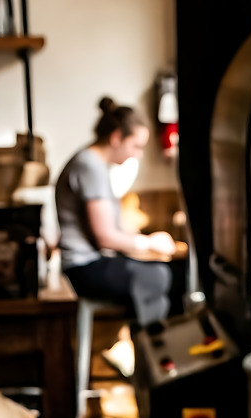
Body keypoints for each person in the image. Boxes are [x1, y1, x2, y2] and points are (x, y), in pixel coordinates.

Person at [56, 98, 180, 330]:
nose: (139, 154)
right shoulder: (89, 166)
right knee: (159, 276)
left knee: (162, 273)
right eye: (136, 146)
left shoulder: (93, 164)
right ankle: (152, 349)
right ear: (116, 138)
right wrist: (149, 242)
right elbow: (105, 237)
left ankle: (145, 345)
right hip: (83, 268)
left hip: (90, 262)